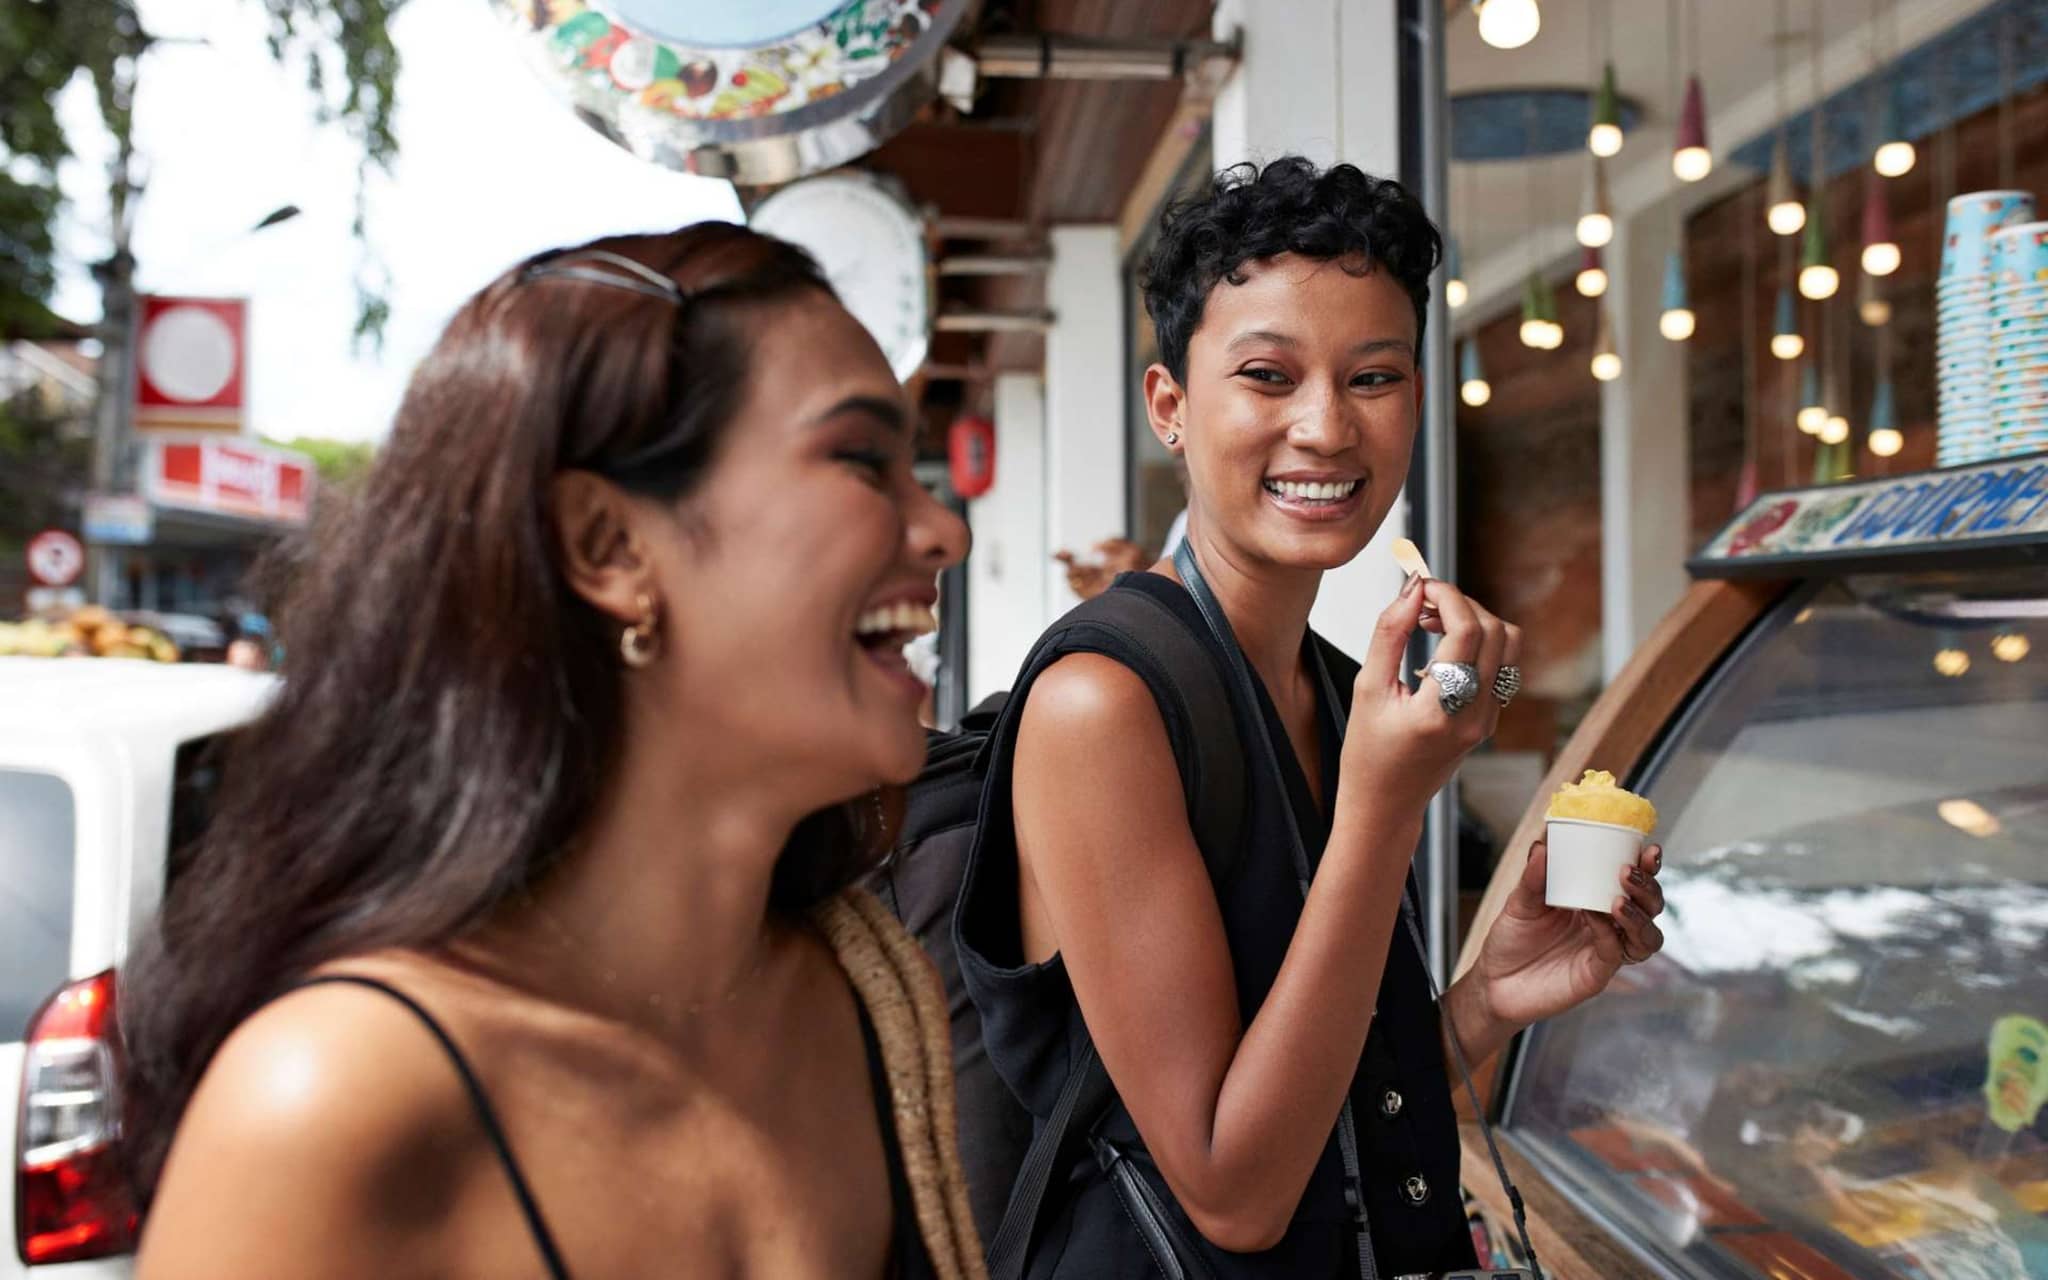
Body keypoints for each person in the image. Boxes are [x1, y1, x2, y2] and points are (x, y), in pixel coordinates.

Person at [122, 224, 987, 1280]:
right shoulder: (331, 1098)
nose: (943, 529)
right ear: (608, 547)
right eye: (861, 458)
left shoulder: (867, 987)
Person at [955, 158, 1669, 1277]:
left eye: (1372, 377)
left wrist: (1487, 999)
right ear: (1170, 407)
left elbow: (1328, 1112)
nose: (1325, 426)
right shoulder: (1100, 703)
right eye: (1266, 374)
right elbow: (1235, 1189)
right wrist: (1382, 807)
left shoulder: (1334, 684)